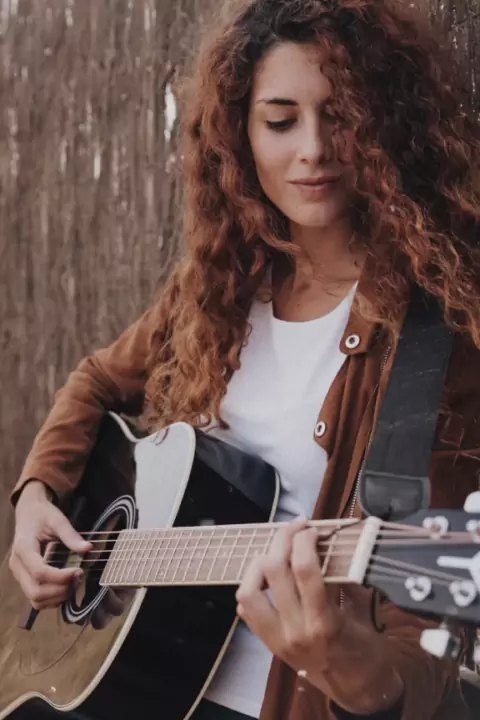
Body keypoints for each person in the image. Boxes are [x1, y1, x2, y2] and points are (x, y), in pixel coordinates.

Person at [7, 0, 480, 718]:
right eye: (281, 121)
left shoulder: (437, 334)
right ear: (240, 134)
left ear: (386, 124)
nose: (313, 149)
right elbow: (97, 381)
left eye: (341, 116)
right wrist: (39, 495)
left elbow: (422, 659)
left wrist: (352, 671)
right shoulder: (223, 287)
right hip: (146, 686)